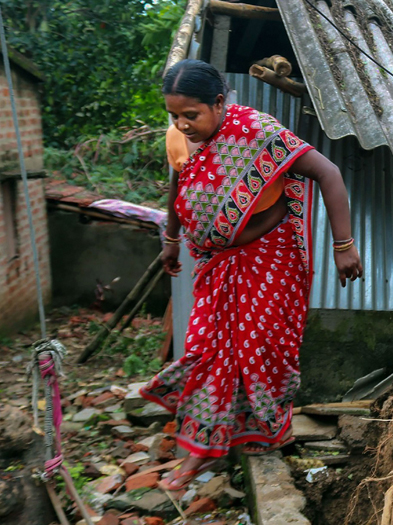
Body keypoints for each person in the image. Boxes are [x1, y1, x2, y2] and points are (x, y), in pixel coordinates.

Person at [140, 60, 363, 490]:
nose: (182, 124)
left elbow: (328, 173)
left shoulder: (255, 132)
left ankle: (266, 435)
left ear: (218, 103)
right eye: (174, 115)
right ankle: (200, 450)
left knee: (263, 348)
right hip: (216, 263)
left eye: (191, 115)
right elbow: (178, 182)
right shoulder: (179, 138)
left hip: (269, 259)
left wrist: (344, 246)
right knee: (207, 349)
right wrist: (170, 238)